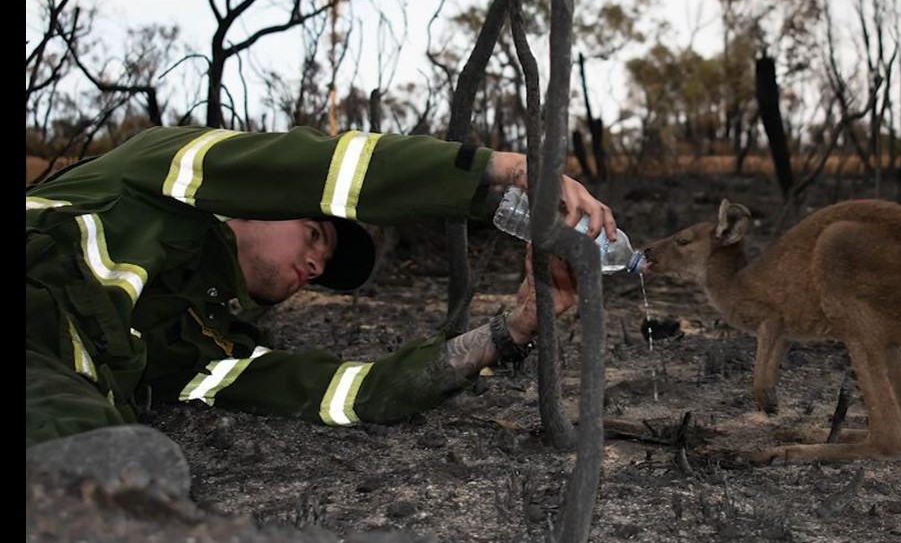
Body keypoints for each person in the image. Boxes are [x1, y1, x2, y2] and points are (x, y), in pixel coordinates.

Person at [25, 124, 614, 493]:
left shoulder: (208, 343)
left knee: (100, 465)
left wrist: (514, 327)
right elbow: (315, 165)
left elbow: (351, 392)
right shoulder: (152, 169)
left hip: (58, 398)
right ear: (257, 202)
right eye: (313, 236)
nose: (315, 267)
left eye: (324, 272)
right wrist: (505, 170)